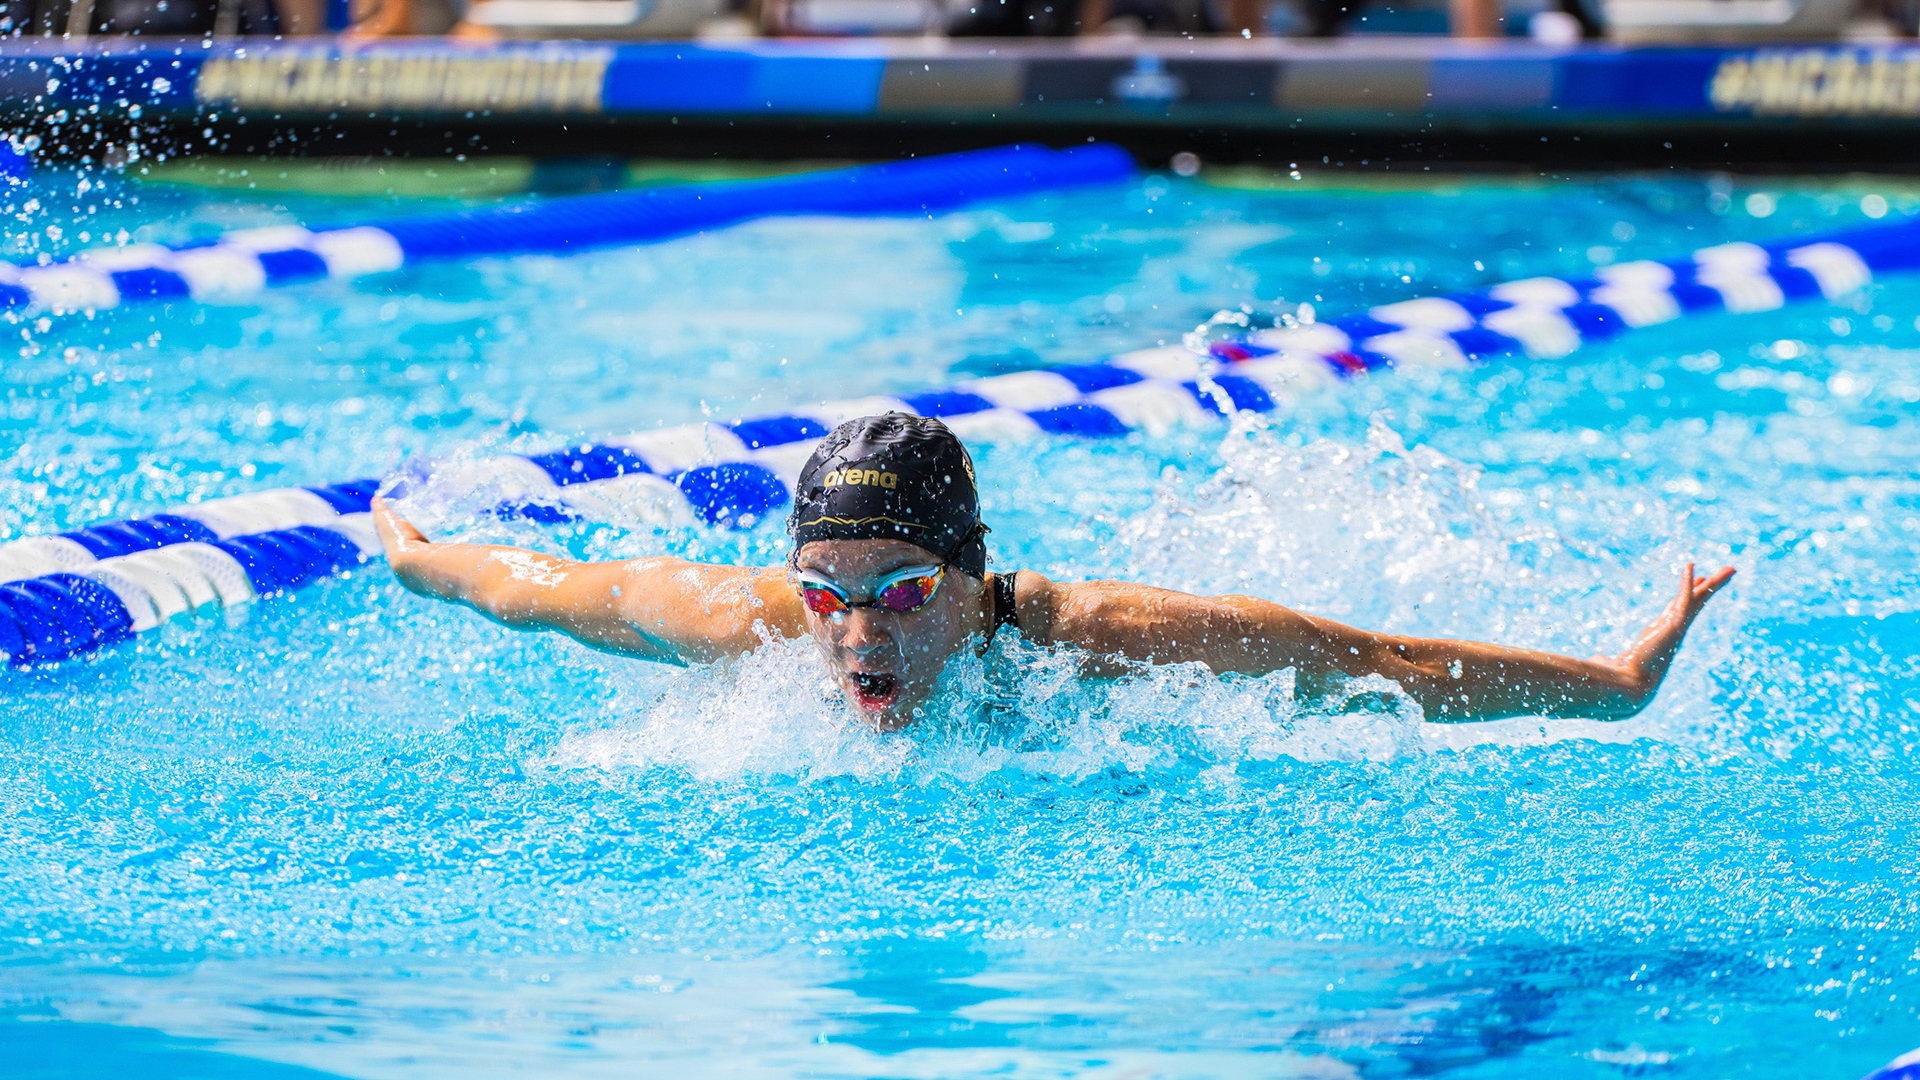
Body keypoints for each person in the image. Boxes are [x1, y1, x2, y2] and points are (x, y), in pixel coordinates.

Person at [374, 413, 1734, 731]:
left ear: (968, 582)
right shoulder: (753, 625)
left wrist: (1617, 680)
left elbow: (1378, 662)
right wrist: (419, 558)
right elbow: (545, 585)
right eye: (830, 594)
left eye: (902, 595)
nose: (856, 638)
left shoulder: (1111, 635)